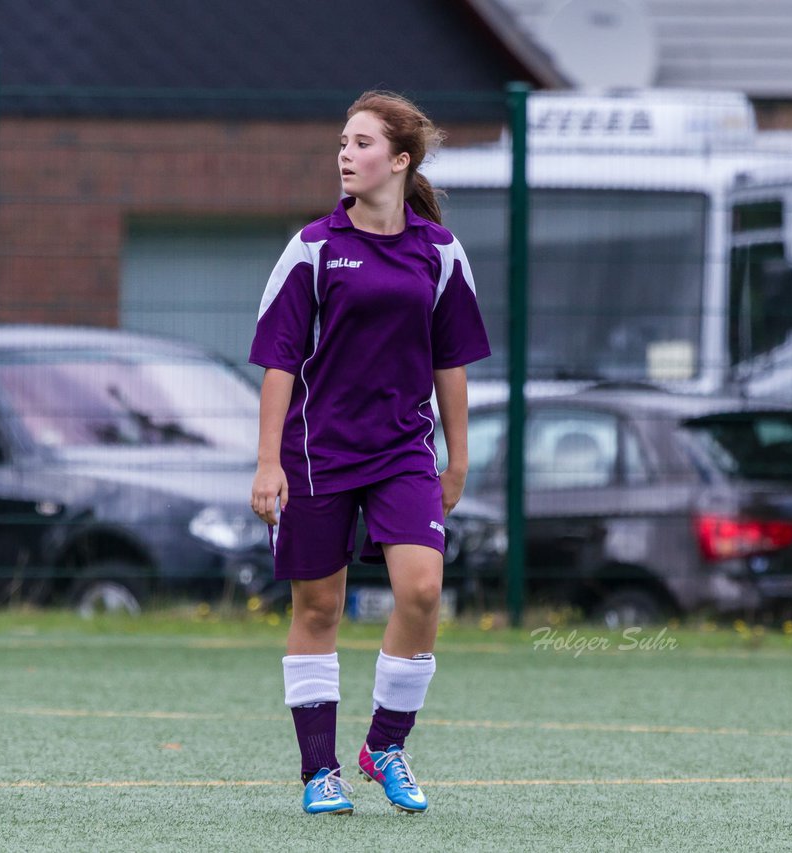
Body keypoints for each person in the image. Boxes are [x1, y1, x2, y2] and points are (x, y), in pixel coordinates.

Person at [249, 91, 490, 815]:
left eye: (361, 143)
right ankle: (319, 770)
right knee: (318, 605)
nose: (345, 155)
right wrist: (268, 462)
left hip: (404, 451)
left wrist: (458, 458)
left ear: (400, 159)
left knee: (420, 590)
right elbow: (278, 361)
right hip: (318, 454)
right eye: (343, 143)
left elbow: (453, 361)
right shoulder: (316, 246)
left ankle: (385, 743)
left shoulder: (440, 252)